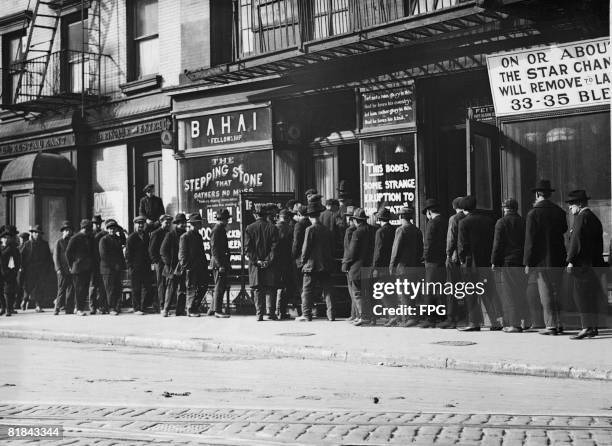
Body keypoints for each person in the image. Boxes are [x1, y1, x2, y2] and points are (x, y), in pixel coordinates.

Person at [523, 179, 568, 336]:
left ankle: (550, 325)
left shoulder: (533, 213)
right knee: (558, 291)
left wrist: (528, 262)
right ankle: (560, 323)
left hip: (542, 259)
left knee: (546, 292)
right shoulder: (560, 212)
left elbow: (530, 240)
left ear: (537, 194)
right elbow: (563, 230)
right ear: (549, 194)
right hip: (559, 257)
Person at [457, 196, 503, 332]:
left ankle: (474, 322)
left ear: (464, 209)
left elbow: (462, 245)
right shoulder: (488, 221)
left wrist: (462, 260)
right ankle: (496, 321)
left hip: (471, 263)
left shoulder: (463, 222)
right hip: (486, 261)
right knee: (489, 291)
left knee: (471, 293)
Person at [565, 190, 605, 340]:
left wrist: (570, 261)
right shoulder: (594, 218)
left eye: (571, 204)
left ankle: (586, 327)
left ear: (580, 204)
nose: (570, 208)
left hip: (582, 265)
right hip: (594, 264)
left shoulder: (581, 218)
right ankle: (593, 327)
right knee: (591, 296)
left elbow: (576, 242)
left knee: (580, 297)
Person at [491, 198, 527, 333]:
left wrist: (494, 261)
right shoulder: (523, 221)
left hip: (508, 261)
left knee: (510, 292)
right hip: (522, 261)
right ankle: (525, 321)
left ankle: (514, 324)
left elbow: (497, 244)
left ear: (504, 208)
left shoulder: (501, 222)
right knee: (521, 291)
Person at [297, 195, 334, 322]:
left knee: (307, 291)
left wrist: (302, 262)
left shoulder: (309, 229)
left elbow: (306, 248)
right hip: (325, 264)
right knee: (327, 291)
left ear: (309, 216)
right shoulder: (326, 230)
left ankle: (306, 314)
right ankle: (331, 314)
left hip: (311, 265)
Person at [389, 205, 423, 327]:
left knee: (404, 293)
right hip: (415, 266)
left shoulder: (401, 230)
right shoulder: (417, 230)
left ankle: (408, 318)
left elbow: (395, 251)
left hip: (403, 267)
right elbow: (420, 250)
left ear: (401, 217)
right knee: (412, 292)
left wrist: (391, 267)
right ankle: (412, 317)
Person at [244, 203, 278, 321]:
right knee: (270, 287)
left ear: (255, 215)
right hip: (271, 265)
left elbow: (248, 249)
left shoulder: (249, 228)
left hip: (255, 265)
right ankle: (271, 313)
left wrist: (257, 260)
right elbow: (275, 247)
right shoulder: (272, 227)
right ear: (266, 215)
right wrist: (268, 260)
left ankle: (259, 314)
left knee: (258, 288)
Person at [345, 208, 375, 326]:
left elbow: (352, 252)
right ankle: (371, 317)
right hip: (369, 266)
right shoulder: (373, 230)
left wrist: (346, 264)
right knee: (368, 293)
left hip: (357, 267)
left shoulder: (357, 232)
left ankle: (363, 316)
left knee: (358, 293)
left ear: (356, 221)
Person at [422, 199, 448, 328]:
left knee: (429, 290)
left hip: (432, 261)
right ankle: (442, 316)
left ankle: (430, 318)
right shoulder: (445, 221)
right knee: (441, 289)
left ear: (429, 211)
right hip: (443, 260)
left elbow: (428, 243)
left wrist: (425, 258)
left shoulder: (432, 223)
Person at [178, 213, 209, 317]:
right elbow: (182, 255)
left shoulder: (198, 236)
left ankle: (195, 306)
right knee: (191, 288)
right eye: (198, 223)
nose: (201, 225)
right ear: (193, 224)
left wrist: (205, 266)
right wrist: (186, 267)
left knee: (203, 286)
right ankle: (190, 309)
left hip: (200, 267)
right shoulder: (185, 237)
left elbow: (202, 253)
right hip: (190, 268)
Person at [441, 197, 464, 329]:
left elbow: (451, 238)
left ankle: (451, 317)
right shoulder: (467, 217)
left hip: (454, 257)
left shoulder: (454, 219)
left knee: (451, 287)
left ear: (454, 207)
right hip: (466, 258)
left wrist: (449, 254)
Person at [66, 220, 95, 316]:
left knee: (84, 289)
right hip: (77, 268)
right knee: (79, 289)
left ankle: (77, 307)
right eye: (87, 229)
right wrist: (71, 265)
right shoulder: (75, 238)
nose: (88, 231)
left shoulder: (90, 238)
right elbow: (68, 253)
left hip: (87, 268)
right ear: (83, 229)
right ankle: (79, 309)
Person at [22, 225, 54, 313]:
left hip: (41, 269)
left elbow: (48, 258)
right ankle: (25, 300)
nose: (37, 235)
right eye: (35, 233)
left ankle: (38, 305)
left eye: (39, 233)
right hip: (30, 269)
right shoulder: (27, 244)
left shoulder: (44, 244)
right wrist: (22, 268)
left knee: (40, 287)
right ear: (32, 234)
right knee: (28, 287)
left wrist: (49, 268)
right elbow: (21, 257)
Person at [160, 213, 187, 317]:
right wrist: (169, 264)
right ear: (177, 224)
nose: (183, 225)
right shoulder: (170, 235)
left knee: (182, 289)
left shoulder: (185, 234)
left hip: (182, 265)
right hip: (172, 267)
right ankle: (166, 309)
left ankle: (180, 310)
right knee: (171, 289)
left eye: (184, 223)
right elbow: (163, 251)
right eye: (181, 223)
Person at [99, 219, 126, 315]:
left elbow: (124, 242)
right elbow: (104, 255)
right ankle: (111, 308)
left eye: (114, 229)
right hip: (107, 269)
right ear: (107, 230)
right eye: (110, 229)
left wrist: (122, 232)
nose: (112, 230)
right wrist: (114, 265)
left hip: (117, 268)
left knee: (117, 288)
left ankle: (116, 306)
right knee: (109, 289)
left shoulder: (118, 239)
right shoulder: (104, 240)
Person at [126, 216, 151, 315]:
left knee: (148, 288)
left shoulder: (146, 236)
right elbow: (128, 254)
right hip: (135, 267)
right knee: (136, 288)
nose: (140, 225)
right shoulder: (131, 238)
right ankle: (136, 308)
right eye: (138, 224)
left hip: (145, 267)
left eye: (142, 223)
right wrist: (130, 267)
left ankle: (143, 306)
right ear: (135, 225)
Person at [209, 209, 231, 318]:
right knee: (219, 286)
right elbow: (214, 249)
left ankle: (212, 309)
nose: (228, 222)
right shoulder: (217, 230)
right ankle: (217, 310)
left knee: (219, 285)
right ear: (223, 219)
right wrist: (220, 264)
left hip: (220, 263)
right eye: (227, 219)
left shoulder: (219, 229)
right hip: (219, 264)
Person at [149, 214, 172, 313]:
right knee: (161, 283)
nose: (168, 225)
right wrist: (156, 262)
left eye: (169, 223)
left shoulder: (169, 233)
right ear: (161, 222)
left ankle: (167, 304)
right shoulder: (156, 233)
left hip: (168, 262)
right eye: (166, 223)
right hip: (160, 263)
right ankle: (162, 305)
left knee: (168, 283)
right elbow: (151, 250)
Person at [275, 208, 295, 320]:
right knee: (285, 286)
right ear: (287, 218)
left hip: (276, 261)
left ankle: (276, 311)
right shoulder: (289, 228)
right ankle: (281, 311)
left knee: (278, 286)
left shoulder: (274, 227)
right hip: (287, 260)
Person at [292, 203, 311, 314]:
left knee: (301, 286)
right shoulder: (309, 223)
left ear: (299, 214)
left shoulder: (298, 225)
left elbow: (296, 243)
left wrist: (293, 256)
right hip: (310, 258)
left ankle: (304, 311)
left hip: (299, 258)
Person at [53, 221, 75, 315]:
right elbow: (56, 256)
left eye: (69, 230)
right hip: (62, 270)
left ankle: (69, 309)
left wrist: (73, 267)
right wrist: (58, 269)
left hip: (71, 269)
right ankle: (57, 308)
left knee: (71, 289)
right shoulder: (59, 242)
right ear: (63, 231)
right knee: (61, 289)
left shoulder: (72, 241)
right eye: (66, 230)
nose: (68, 232)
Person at [341, 205, 358, 322]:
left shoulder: (349, 231)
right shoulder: (364, 229)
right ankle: (354, 314)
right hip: (361, 264)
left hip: (351, 264)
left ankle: (355, 314)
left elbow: (348, 249)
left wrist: (345, 264)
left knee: (352, 291)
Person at [89, 215, 108, 314]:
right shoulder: (91, 234)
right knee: (93, 286)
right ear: (92, 224)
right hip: (92, 263)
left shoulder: (103, 234)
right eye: (95, 224)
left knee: (101, 286)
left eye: (99, 223)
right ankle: (92, 307)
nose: (97, 225)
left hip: (101, 263)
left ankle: (101, 306)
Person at [0, 228, 20, 317]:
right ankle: (3, 308)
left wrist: (13, 271)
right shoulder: (1, 248)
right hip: (1, 272)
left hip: (8, 272)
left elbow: (15, 260)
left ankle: (9, 309)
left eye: (8, 237)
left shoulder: (12, 248)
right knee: (1, 291)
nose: (6, 239)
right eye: (4, 238)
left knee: (8, 291)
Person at [17, 232, 30, 311]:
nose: (21, 240)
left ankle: (24, 301)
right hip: (19, 269)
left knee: (25, 286)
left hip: (26, 269)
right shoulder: (18, 247)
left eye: (22, 239)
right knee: (20, 286)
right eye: (21, 239)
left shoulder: (27, 247)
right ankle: (20, 302)